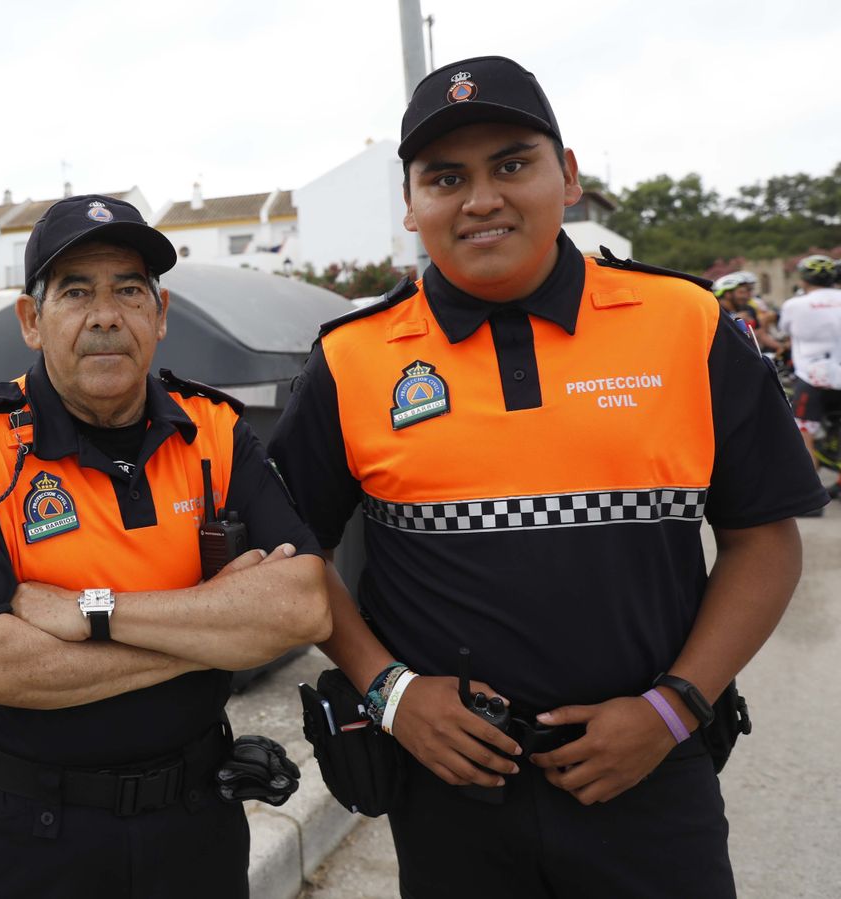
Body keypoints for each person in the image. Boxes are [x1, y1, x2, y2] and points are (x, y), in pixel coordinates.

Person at [268, 56, 827, 898]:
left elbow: (763, 538)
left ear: (567, 177)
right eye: (446, 177)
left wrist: (673, 708)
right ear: (414, 205)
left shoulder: (687, 324)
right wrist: (390, 691)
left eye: (513, 164)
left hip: (650, 778)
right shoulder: (351, 359)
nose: (481, 197)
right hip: (450, 792)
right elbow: (291, 554)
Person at [0, 193, 337, 898]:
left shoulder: (214, 430)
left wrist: (94, 610)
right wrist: (214, 626)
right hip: (28, 837)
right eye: (76, 291)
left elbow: (303, 606)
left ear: (160, 314)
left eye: (129, 290)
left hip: (196, 822)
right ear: (31, 320)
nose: (106, 314)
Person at [778, 254, 841, 497]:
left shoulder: (795, 304)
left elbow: (785, 331)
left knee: (805, 436)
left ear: (804, 279)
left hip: (813, 376)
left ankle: (811, 495)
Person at [712, 270, 784, 353]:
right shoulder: (715, 310)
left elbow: (760, 334)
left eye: (749, 291)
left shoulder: (748, 309)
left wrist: (781, 347)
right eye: (742, 292)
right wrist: (733, 319)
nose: (747, 296)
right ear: (728, 294)